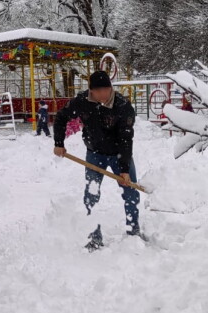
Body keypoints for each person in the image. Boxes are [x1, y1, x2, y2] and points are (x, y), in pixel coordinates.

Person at [52, 70, 141, 242]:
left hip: (119, 153)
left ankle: (133, 231)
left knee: (131, 192)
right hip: (95, 154)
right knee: (91, 195)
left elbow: (126, 138)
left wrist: (124, 169)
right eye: (98, 90)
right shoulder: (82, 101)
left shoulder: (123, 106)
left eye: (106, 89)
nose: (103, 94)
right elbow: (61, 117)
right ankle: (95, 236)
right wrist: (58, 143)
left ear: (111, 88)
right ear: (91, 90)